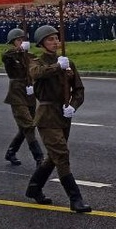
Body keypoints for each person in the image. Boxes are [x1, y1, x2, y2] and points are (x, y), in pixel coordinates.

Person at [25, 25, 92, 212]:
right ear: (41, 44)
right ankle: (75, 199)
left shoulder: (67, 62)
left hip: (63, 114)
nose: (55, 42)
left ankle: (34, 188)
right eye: (50, 39)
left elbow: (79, 89)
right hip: (47, 115)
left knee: (54, 157)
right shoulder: (36, 61)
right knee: (61, 154)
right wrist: (57, 67)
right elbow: (36, 73)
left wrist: (73, 106)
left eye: (56, 38)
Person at [1, 27, 44, 168]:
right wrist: (19, 50)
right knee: (28, 126)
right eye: (18, 40)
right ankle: (39, 158)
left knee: (24, 128)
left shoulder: (30, 56)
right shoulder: (11, 55)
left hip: (29, 94)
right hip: (17, 95)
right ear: (13, 42)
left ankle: (11, 152)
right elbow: (5, 56)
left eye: (23, 39)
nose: (22, 42)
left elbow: (38, 68)